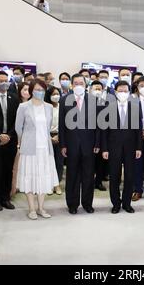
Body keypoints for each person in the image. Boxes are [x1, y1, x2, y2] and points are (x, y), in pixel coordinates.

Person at [15, 79, 59, 220]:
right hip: (29, 148)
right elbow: (18, 127)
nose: (39, 92)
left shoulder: (48, 107)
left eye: (42, 90)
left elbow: (48, 127)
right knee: (30, 177)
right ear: (31, 90)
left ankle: (41, 208)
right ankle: (32, 209)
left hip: (45, 148)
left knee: (43, 178)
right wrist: (22, 141)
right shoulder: (23, 107)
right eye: (37, 89)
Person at [59, 73, 101, 214]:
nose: (78, 86)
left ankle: (87, 204)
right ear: (72, 85)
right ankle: (72, 204)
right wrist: (63, 144)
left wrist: (97, 143)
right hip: (71, 145)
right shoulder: (65, 100)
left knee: (89, 175)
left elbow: (98, 125)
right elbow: (61, 125)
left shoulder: (94, 100)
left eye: (81, 83)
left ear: (86, 84)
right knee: (72, 175)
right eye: (75, 83)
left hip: (89, 145)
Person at [102, 81, 142, 214]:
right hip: (113, 147)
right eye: (120, 91)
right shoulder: (108, 107)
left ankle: (127, 203)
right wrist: (105, 148)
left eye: (126, 91)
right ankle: (116, 204)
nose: (123, 93)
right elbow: (104, 130)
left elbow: (138, 129)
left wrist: (138, 147)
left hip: (131, 147)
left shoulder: (135, 107)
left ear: (129, 92)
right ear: (115, 91)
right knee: (114, 177)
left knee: (130, 176)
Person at [0, 71, 20, 211]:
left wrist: (8, 135)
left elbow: (17, 120)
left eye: (6, 81)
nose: (4, 83)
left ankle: (5, 198)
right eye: (0, 81)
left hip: (10, 140)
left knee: (8, 170)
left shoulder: (14, 98)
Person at [11, 81, 31, 197]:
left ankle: (26, 185)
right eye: (24, 89)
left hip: (30, 139)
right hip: (18, 137)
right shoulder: (17, 104)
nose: (27, 92)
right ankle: (14, 187)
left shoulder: (34, 104)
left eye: (29, 89)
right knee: (16, 164)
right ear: (19, 91)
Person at [89, 81, 108, 191]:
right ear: (90, 89)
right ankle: (88, 181)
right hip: (88, 137)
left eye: (99, 89)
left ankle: (99, 181)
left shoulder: (105, 104)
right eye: (95, 88)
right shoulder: (86, 103)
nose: (97, 91)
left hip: (101, 136)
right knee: (89, 162)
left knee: (100, 162)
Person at [45, 86, 63, 195]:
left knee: (59, 162)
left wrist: (59, 136)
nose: (56, 96)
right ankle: (49, 184)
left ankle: (57, 185)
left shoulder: (62, 107)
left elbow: (66, 124)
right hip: (47, 137)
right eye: (53, 94)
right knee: (48, 162)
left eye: (57, 94)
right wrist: (49, 137)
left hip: (60, 137)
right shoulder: (45, 107)